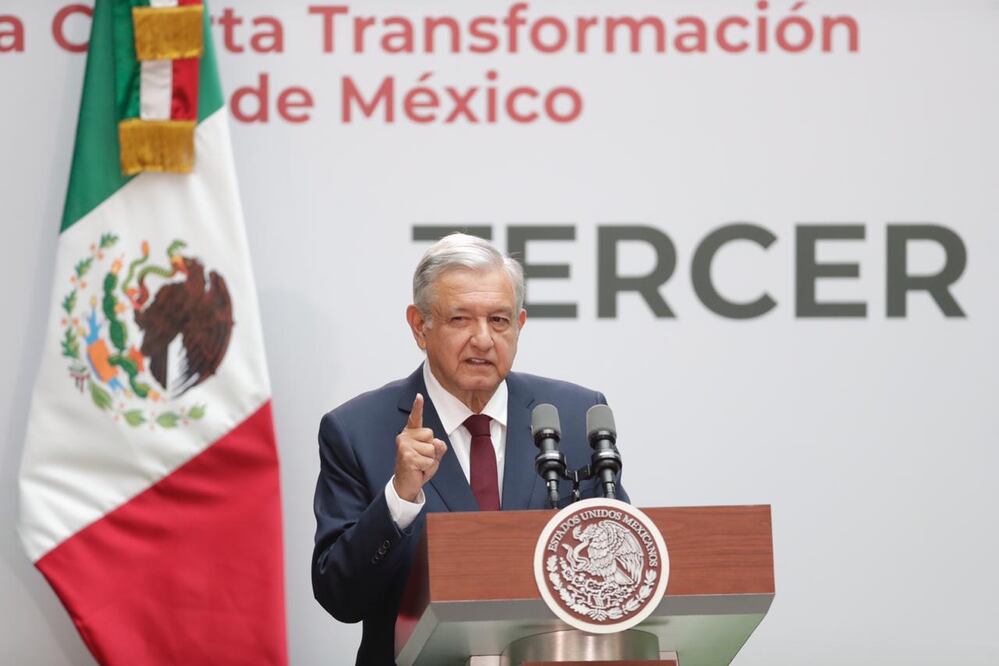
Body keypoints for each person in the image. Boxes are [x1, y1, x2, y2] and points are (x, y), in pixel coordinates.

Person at [312, 233, 626, 665]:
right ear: (419, 326)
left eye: (498, 320)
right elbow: (340, 597)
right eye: (460, 319)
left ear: (520, 324)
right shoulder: (356, 430)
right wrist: (399, 498)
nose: (482, 339)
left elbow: (619, 573)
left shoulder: (574, 416)